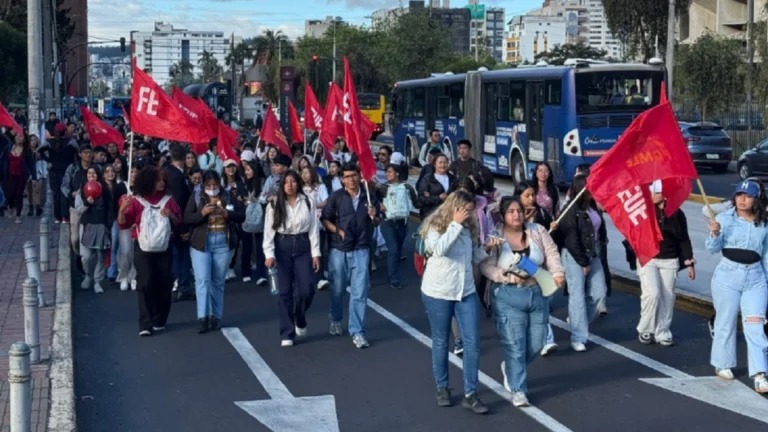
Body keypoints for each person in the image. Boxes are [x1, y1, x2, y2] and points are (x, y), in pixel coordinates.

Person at [480, 196, 565, 407]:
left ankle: (510, 368)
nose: (516, 215)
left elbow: (551, 252)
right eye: (511, 211)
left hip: (537, 292)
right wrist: (506, 276)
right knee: (515, 345)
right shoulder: (496, 236)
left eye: (518, 210)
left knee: (537, 342)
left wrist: (557, 273)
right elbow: (485, 265)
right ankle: (519, 390)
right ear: (503, 214)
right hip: (508, 296)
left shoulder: (537, 231)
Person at [419, 190, 498, 414]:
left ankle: (471, 393)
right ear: (455, 207)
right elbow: (440, 250)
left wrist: (486, 249)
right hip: (438, 291)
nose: (470, 215)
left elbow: (472, 257)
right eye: (467, 210)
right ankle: (442, 387)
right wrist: (454, 224)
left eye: (472, 211)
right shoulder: (436, 224)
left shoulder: (467, 229)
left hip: (465, 291)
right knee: (441, 341)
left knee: (472, 343)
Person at [705, 179, 768, 392]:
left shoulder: (764, 222)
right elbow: (712, 248)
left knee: (755, 324)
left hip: (756, 277)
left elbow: (766, 255)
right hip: (728, 275)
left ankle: (760, 373)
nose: (742, 199)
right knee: (726, 320)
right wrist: (714, 233)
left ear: (756, 199)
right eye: (739, 194)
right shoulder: (724, 219)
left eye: (748, 195)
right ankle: (722, 363)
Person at [117, 166, 183, 337]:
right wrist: (122, 210)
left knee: (164, 282)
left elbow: (179, 222)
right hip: (142, 246)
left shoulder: (169, 199)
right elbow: (123, 224)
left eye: (163, 180)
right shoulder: (136, 200)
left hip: (164, 246)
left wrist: (171, 216)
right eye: (158, 180)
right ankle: (145, 322)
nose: (162, 183)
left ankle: (160, 318)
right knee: (145, 282)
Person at [321, 163, 381, 348]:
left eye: (354, 175)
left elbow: (377, 221)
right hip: (339, 250)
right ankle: (336, 317)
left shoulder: (368, 197)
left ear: (359, 176)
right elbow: (325, 219)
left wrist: (374, 215)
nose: (351, 179)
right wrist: (338, 231)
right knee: (337, 289)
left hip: (362, 249)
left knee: (359, 292)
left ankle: (357, 331)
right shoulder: (337, 197)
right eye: (347, 176)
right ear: (342, 179)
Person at [634, 180, 696, 346]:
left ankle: (662, 331)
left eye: (655, 192)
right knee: (652, 294)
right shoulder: (645, 211)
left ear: (664, 193)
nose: (651, 195)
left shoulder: (677, 213)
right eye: (650, 192)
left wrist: (689, 262)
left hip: (670, 259)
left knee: (667, 296)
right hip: (648, 258)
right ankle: (646, 329)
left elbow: (684, 239)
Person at [263, 171, 321, 346]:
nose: (290, 185)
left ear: (298, 184)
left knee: (307, 289)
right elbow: (268, 231)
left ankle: (299, 316)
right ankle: (287, 332)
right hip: (283, 247)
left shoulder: (308, 202)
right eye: (286, 182)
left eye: (293, 182)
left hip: (303, 246)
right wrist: (269, 254)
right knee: (285, 291)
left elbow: (313, 229)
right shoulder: (274, 205)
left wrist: (316, 253)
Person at [185, 169, 245, 334]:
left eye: (215, 184)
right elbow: (187, 218)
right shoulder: (197, 196)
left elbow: (242, 215)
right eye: (209, 185)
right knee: (202, 281)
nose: (212, 187)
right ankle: (202, 317)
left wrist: (227, 214)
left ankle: (215, 317)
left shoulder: (227, 195)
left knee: (218, 282)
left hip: (222, 243)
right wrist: (202, 213)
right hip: (201, 243)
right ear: (203, 185)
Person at [558, 174, 607, 352]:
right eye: (591, 187)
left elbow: (599, 227)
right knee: (577, 295)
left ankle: (579, 320)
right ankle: (578, 336)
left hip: (593, 253)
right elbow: (571, 239)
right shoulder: (571, 209)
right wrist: (583, 261)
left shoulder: (593, 205)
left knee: (599, 292)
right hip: (574, 255)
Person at [377, 164, 418, 289]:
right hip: (388, 221)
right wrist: (379, 205)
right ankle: (393, 278)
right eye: (387, 172)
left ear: (397, 173)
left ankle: (394, 270)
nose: (387, 174)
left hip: (402, 222)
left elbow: (416, 202)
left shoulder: (407, 187)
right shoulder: (382, 188)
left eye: (390, 172)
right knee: (393, 248)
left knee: (398, 249)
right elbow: (373, 200)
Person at [76, 166, 112, 293]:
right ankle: (88, 276)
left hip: (101, 225)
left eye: (94, 173)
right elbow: (78, 210)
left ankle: (98, 281)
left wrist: (108, 225)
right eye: (89, 173)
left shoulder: (105, 191)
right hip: (87, 225)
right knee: (86, 256)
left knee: (100, 256)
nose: (91, 175)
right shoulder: (81, 191)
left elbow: (109, 209)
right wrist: (87, 203)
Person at [165, 145, 194, 301]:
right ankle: (182, 285)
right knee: (181, 254)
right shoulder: (176, 176)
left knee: (177, 254)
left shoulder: (167, 172)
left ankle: (180, 283)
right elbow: (179, 203)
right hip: (177, 222)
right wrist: (182, 227)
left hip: (170, 220)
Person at [301, 165, 330, 289]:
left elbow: (326, 201)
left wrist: (313, 205)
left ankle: (320, 277)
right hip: (303, 224)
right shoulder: (299, 188)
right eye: (302, 173)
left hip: (318, 223)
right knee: (306, 251)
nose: (304, 175)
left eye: (307, 172)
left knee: (317, 249)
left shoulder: (321, 187)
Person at [62, 144, 94, 251]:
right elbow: (64, 186)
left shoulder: (95, 168)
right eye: (85, 153)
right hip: (75, 206)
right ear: (80, 154)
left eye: (90, 153)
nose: (88, 155)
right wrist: (71, 194)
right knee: (75, 237)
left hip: (91, 206)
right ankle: (77, 254)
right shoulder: (72, 168)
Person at [1, 132, 36, 224]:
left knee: (19, 194)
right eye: (17, 136)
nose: (18, 138)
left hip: (21, 176)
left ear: (24, 139)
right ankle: (11, 206)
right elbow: (3, 160)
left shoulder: (26, 150)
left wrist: (34, 177)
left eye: (20, 137)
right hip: (9, 175)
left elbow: (31, 164)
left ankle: (18, 215)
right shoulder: (8, 147)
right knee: (9, 194)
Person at [241, 160, 266, 285]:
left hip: (259, 216)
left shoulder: (262, 183)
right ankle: (246, 271)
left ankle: (261, 273)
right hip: (246, 217)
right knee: (246, 245)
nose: (247, 172)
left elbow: (265, 197)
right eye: (246, 170)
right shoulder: (243, 184)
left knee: (260, 245)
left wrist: (257, 199)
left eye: (249, 170)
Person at [418, 153, 458, 219]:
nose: (442, 165)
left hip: (449, 215)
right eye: (440, 162)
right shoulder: (427, 179)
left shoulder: (453, 179)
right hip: (431, 216)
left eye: (445, 162)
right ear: (434, 164)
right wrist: (438, 198)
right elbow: (422, 199)